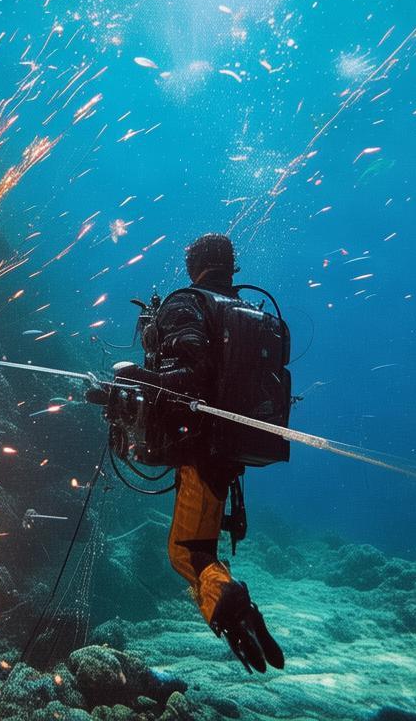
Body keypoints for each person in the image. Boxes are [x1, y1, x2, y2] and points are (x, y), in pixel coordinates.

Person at [93, 234, 287, 674]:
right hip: (231, 448)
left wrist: (131, 380)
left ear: (195, 263)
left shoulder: (188, 303)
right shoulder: (243, 311)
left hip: (203, 448)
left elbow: (190, 374)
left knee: (187, 552)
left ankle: (233, 609)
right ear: (229, 267)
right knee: (195, 547)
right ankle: (235, 613)